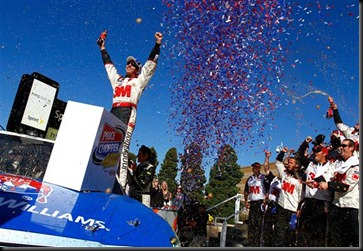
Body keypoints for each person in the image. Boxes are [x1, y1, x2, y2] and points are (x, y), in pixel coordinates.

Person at [97, 30, 163, 194]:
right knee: (106, 147)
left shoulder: (139, 81)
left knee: (123, 149)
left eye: (132, 64)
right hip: (114, 112)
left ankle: (121, 184)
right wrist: (103, 48)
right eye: (127, 63)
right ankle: (101, 177)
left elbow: (149, 66)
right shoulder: (118, 80)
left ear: (136, 68)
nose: (128, 65)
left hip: (128, 113)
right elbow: (109, 66)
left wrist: (157, 45)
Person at [295, 137, 335, 247]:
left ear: (325, 153)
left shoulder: (332, 166)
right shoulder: (311, 165)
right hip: (308, 202)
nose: (315, 153)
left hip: (321, 204)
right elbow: (299, 156)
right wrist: (305, 143)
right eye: (314, 150)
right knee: (302, 232)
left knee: (317, 235)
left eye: (318, 151)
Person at [317, 139, 359, 247]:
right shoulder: (338, 163)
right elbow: (328, 174)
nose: (341, 148)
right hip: (336, 205)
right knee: (336, 239)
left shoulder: (356, 164)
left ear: (352, 148)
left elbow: (347, 186)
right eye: (341, 145)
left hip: (351, 207)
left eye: (344, 146)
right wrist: (315, 182)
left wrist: (328, 185)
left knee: (355, 239)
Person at [265, 146, 303, 247]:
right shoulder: (285, 174)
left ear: (297, 166)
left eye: (291, 163)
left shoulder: (300, 180)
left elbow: (301, 197)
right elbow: (278, 162)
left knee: (290, 236)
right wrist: (282, 152)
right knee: (279, 234)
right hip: (281, 207)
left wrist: (299, 210)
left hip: (292, 210)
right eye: (289, 162)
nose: (289, 164)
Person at [244, 161, 268, 247]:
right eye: (254, 167)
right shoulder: (249, 179)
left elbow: (268, 189)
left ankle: (258, 244)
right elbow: (246, 191)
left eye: (257, 167)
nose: (255, 169)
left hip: (260, 202)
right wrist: (246, 201)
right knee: (251, 224)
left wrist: (266, 199)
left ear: (259, 168)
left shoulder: (263, 178)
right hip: (252, 203)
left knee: (259, 224)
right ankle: (251, 243)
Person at [262, 150, 281, 247]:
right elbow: (266, 168)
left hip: (280, 207)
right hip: (270, 205)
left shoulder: (287, 181)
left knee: (276, 229)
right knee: (267, 227)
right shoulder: (274, 179)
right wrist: (267, 157)